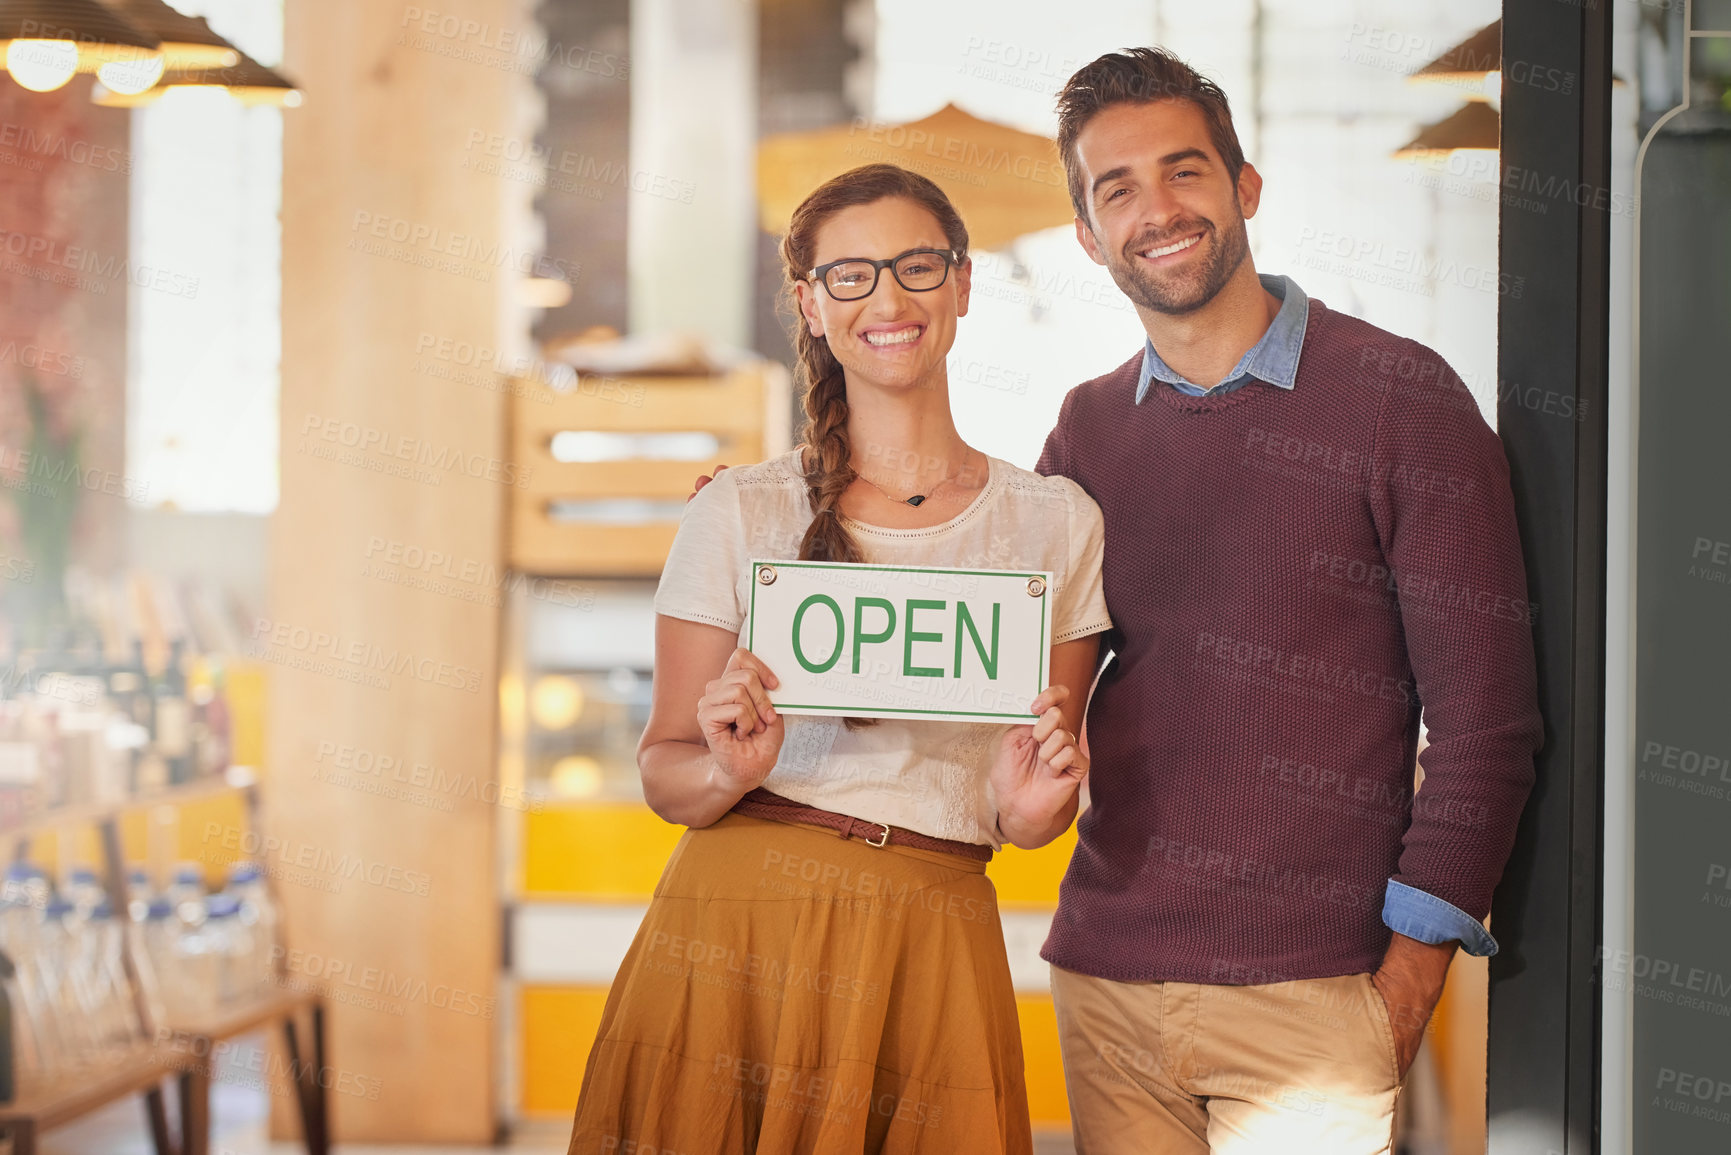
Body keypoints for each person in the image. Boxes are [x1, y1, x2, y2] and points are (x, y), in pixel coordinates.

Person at [1033, 49, 1543, 1154]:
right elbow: (1015, 658)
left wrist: (1404, 985)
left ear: (1245, 188)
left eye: (1184, 172)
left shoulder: (1401, 400)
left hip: (1316, 995)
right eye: (1116, 189)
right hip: (1108, 984)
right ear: (1086, 235)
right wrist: (789, 514)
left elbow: (1488, 729)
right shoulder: (1086, 430)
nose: (1156, 210)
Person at [566, 163, 1112, 1155]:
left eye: (915, 267)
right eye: (851, 276)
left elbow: (1032, 801)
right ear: (812, 307)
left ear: (961, 285)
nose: (889, 300)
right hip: (736, 923)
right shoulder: (741, 507)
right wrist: (729, 767)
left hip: (932, 941)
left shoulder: (1058, 524)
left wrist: (1035, 811)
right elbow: (666, 773)